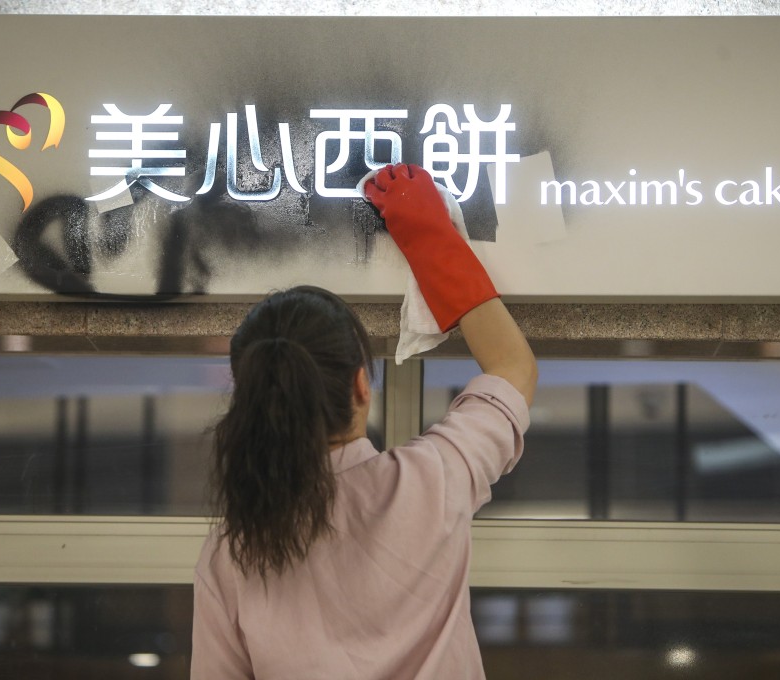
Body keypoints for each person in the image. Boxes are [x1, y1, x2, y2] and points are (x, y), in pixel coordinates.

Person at [191, 164, 537, 679]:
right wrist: (427, 234)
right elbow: (512, 367)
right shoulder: (433, 481)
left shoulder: (233, 553)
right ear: (360, 386)